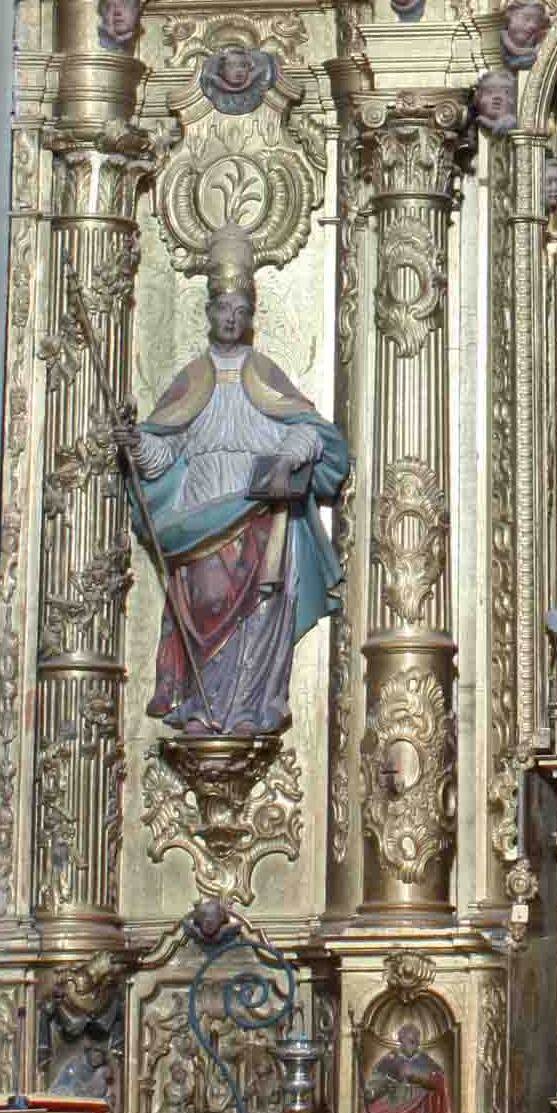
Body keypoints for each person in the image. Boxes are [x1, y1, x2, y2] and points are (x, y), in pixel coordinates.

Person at [125, 224, 348, 734]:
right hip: (201, 517)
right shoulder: (191, 380)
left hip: (258, 513)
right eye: (223, 307)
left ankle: (249, 708)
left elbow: (309, 431)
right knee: (204, 602)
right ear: (208, 312)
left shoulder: (265, 375)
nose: (231, 317)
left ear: (250, 317)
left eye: (241, 310)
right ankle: (201, 708)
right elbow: (164, 454)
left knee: (259, 612)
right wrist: (138, 444)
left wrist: (289, 455)